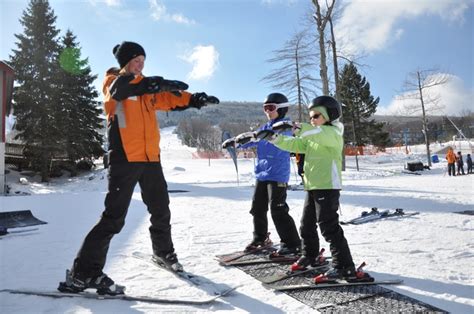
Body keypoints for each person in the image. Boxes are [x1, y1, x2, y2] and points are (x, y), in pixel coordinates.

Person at [58, 41, 219, 295]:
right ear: (125, 62)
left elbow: (169, 99)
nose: (141, 64)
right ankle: (83, 273)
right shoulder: (114, 81)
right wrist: (150, 82)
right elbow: (118, 91)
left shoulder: (145, 87)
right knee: (114, 217)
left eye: (143, 59)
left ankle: (163, 252)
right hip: (125, 158)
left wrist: (195, 99)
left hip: (150, 159)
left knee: (160, 208)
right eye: (136, 60)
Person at [256, 96, 364, 282]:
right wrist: (275, 138)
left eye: (316, 116)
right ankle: (310, 255)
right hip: (313, 185)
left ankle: (344, 266)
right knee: (306, 225)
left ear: (329, 115)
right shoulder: (314, 135)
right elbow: (295, 144)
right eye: (310, 116)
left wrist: (297, 127)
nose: (312, 120)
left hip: (328, 186)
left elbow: (317, 133)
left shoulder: (333, 133)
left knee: (329, 227)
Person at [224, 93, 301, 256]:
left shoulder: (284, 127)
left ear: (281, 109)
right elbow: (253, 139)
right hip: (262, 174)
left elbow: (283, 137)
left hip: (278, 175)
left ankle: (292, 243)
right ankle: (260, 238)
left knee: (278, 210)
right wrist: (236, 142)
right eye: (265, 108)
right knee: (257, 209)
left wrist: (264, 135)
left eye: (271, 108)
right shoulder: (265, 127)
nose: (267, 111)